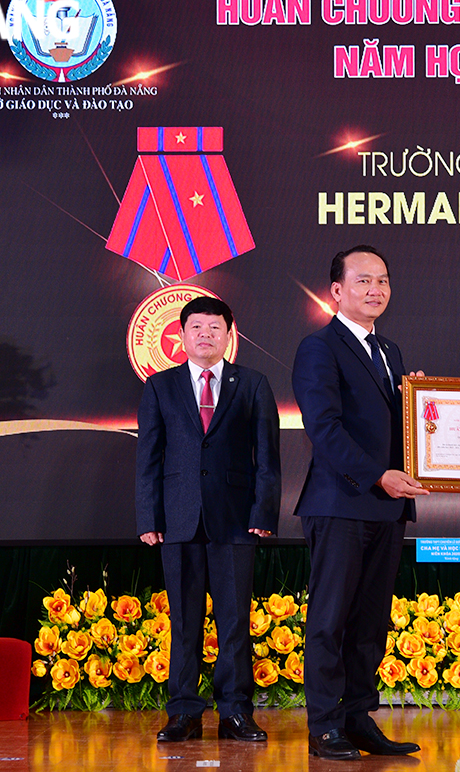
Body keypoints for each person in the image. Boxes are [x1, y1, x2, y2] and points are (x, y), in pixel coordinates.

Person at [292, 245, 428, 760]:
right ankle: (324, 724)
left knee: (371, 620)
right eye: (364, 281)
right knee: (330, 619)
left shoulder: (389, 352)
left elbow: (399, 426)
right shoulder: (319, 348)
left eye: (383, 281)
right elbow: (323, 429)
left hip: (387, 507)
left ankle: (357, 718)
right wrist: (378, 476)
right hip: (341, 503)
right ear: (336, 291)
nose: (376, 290)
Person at [135, 296, 281, 743]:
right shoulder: (161, 386)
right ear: (181, 335)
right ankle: (184, 713)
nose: (205, 335)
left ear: (228, 335)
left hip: (236, 520)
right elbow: (149, 459)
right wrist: (148, 516)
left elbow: (268, 458)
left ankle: (236, 712)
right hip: (178, 520)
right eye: (196, 327)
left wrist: (263, 512)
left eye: (214, 328)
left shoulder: (253, 384)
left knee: (235, 621)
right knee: (184, 620)